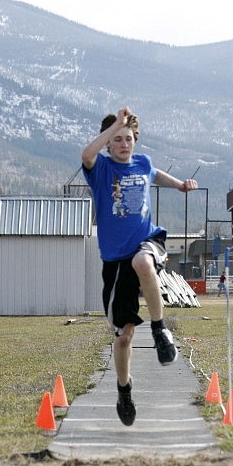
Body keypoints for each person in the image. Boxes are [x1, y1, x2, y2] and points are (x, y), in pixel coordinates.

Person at [81, 106, 199, 426]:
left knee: (143, 261)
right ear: (108, 143)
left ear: (136, 140)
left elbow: (156, 174)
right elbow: (86, 153)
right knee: (123, 337)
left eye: (129, 138)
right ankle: (124, 389)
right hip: (114, 261)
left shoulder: (142, 163)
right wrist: (115, 125)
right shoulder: (101, 169)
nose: (124, 144)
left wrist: (180, 185)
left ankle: (160, 330)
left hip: (146, 240)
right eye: (117, 139)